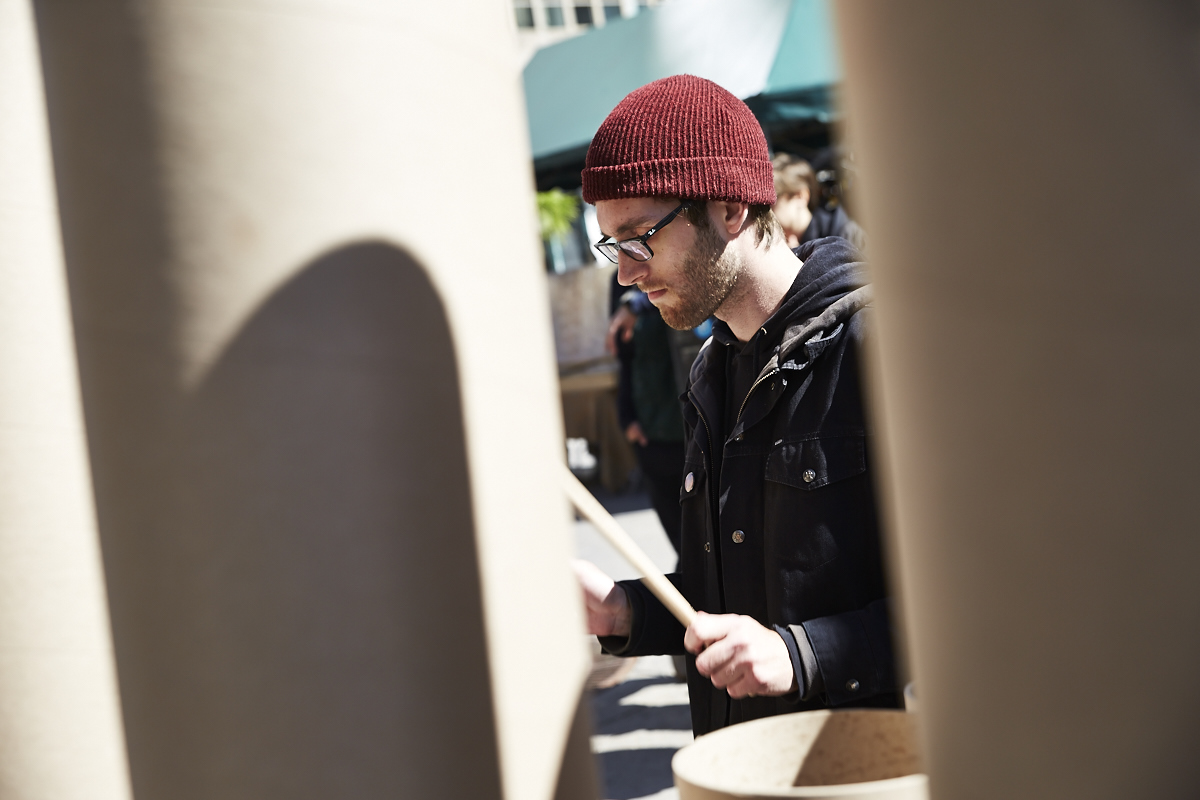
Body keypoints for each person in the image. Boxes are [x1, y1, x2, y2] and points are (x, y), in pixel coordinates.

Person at [573, 74, 900, 736]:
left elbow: (991, 599)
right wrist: (626, 613)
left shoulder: (882, 345)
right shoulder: (710, 372)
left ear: (728, 209)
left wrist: (803, 654)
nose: (626, 274)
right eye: (613, 247)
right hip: (739, 765)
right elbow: (728, 598)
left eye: (641, 237)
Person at [608, 274, 685, 555]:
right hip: (653, 433)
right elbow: (624, 357)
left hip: (701, 427)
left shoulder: (685, 261)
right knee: (684, 545)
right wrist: (626, 416)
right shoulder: (621, 280)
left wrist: (638, 305)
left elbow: (687, 294)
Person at [771, 152, 867, 252]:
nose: (765, 207)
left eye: (773, 198)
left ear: (801, 196)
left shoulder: (845, 235)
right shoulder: (781, 245)